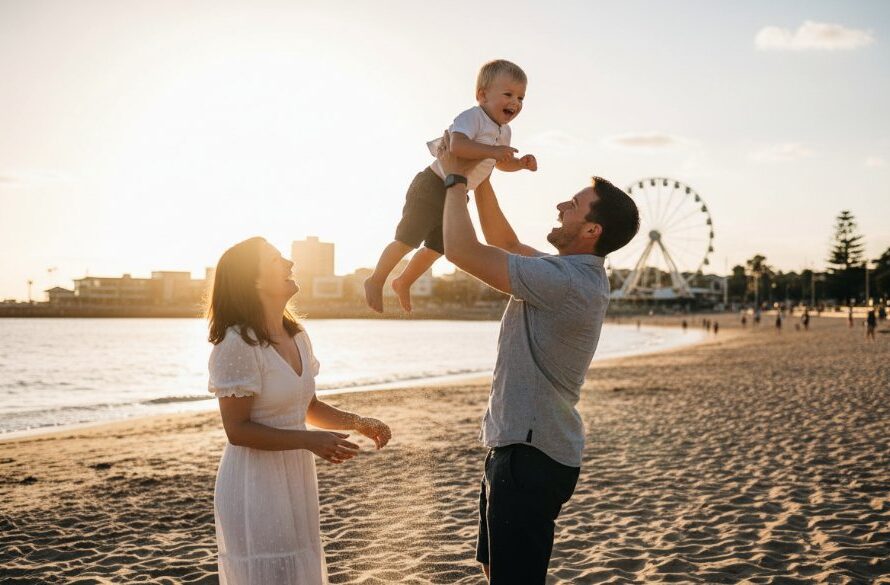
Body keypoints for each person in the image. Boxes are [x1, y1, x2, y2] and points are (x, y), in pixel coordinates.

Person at [435, 131, 640, 583]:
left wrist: (453, 177)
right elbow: (502, 239)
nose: (560, 207)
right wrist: (480, 173)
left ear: (591, 230)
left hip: (530, 456)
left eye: (572, 204)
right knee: (497, 569)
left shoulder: (565, 282)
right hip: (517, 446)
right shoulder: (564, 273)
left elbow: (461, 250)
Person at [206, 237, 392, 585]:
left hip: (295, 475)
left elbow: (308, 406)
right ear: (255, 280)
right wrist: (309, 442)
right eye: (277, 260)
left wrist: (359, 423)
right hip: (254, 481)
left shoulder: (298, 336)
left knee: (299, 570)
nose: (290, 264)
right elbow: (238, 429)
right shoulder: (237, 344)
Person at [364, 59, 536, 313]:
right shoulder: (472, 117)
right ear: (482, 95)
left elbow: (498, 162)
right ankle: (376, 278)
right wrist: (493, 150)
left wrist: (519, 163)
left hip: (457, 193)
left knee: (439, 247)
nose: (515, 102)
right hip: (432, 185)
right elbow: (457, 146)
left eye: (521, 97)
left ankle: (404, 281)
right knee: (408, 238)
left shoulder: (505, 131)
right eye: (508, 94)